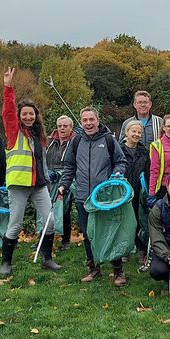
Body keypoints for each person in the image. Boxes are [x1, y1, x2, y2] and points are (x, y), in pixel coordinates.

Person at [0, 67, 61, 275]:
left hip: (39, 185)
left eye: (31, 113)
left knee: (50, 221)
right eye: (24, 114)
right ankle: (6, 263)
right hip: (19, 184)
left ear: (36, 115)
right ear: (19, 116)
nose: (28, 117)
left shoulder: (40, 136)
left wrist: (49, 176)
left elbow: (41, 162)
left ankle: (47, 259)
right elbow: (7, 111)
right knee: (15, 225)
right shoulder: (13, 132)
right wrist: (8, 87)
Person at [58, 106, 128, 285]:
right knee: (88, 235)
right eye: (85, 120)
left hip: (104, 197)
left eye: (92, 119)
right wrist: (63, 185)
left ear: (98, 120)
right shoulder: (76, 141)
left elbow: (121, 161)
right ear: (81, 122)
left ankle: (118, 271)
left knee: (109, 233)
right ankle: (94, 268)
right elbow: (69, 167)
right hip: (83, 197)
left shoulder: (109, 140)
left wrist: (118, 172)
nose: (88, 123)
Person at [119, 121, 151, 270]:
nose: (137, 134)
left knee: (140, 221)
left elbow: (148, 171)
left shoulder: (144, 151)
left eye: (139, 132)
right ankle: (124, 250)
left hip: (139, 191)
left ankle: (141, 250)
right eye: (134, 131)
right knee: (123, 222)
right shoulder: (118, 149)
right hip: (122, 192)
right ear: (127, 132)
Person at [45, 115, 76, 249]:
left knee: (65, 209)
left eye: (65, 126)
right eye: (59, 126)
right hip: (50, 178)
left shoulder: (76, 142)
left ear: (71, 128)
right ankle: (44, 237)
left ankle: (66, 240)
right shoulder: (48, 141)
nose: (62, 128)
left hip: (68, 178)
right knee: (44, 209)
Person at [147, 114, 170, 203]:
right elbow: (154, 171)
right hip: (164, 187)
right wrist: (151, 193)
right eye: (169, 126)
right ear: (164, 128)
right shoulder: (157, 145)